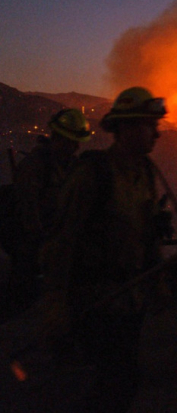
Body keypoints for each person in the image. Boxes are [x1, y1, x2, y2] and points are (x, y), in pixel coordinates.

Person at [41, 87, 169, 413]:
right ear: (124, 129)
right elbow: (61, 242)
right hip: (95, 299)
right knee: (114, 381)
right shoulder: (92, 175)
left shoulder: (145, 174)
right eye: (147, 125)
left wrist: (157, 281)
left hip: (129, 298)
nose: (156, 133)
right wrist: (56, 303)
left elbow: (147, 232)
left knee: (119, 376)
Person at [9, 108, 91, 311]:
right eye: (72, 141)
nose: (76, 147)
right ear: (59, 138)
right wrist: (42, 245)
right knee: (28, 306)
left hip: (57, 247)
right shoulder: (35, 167)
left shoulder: (70, 166)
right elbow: (28, 212)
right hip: (32, 249)